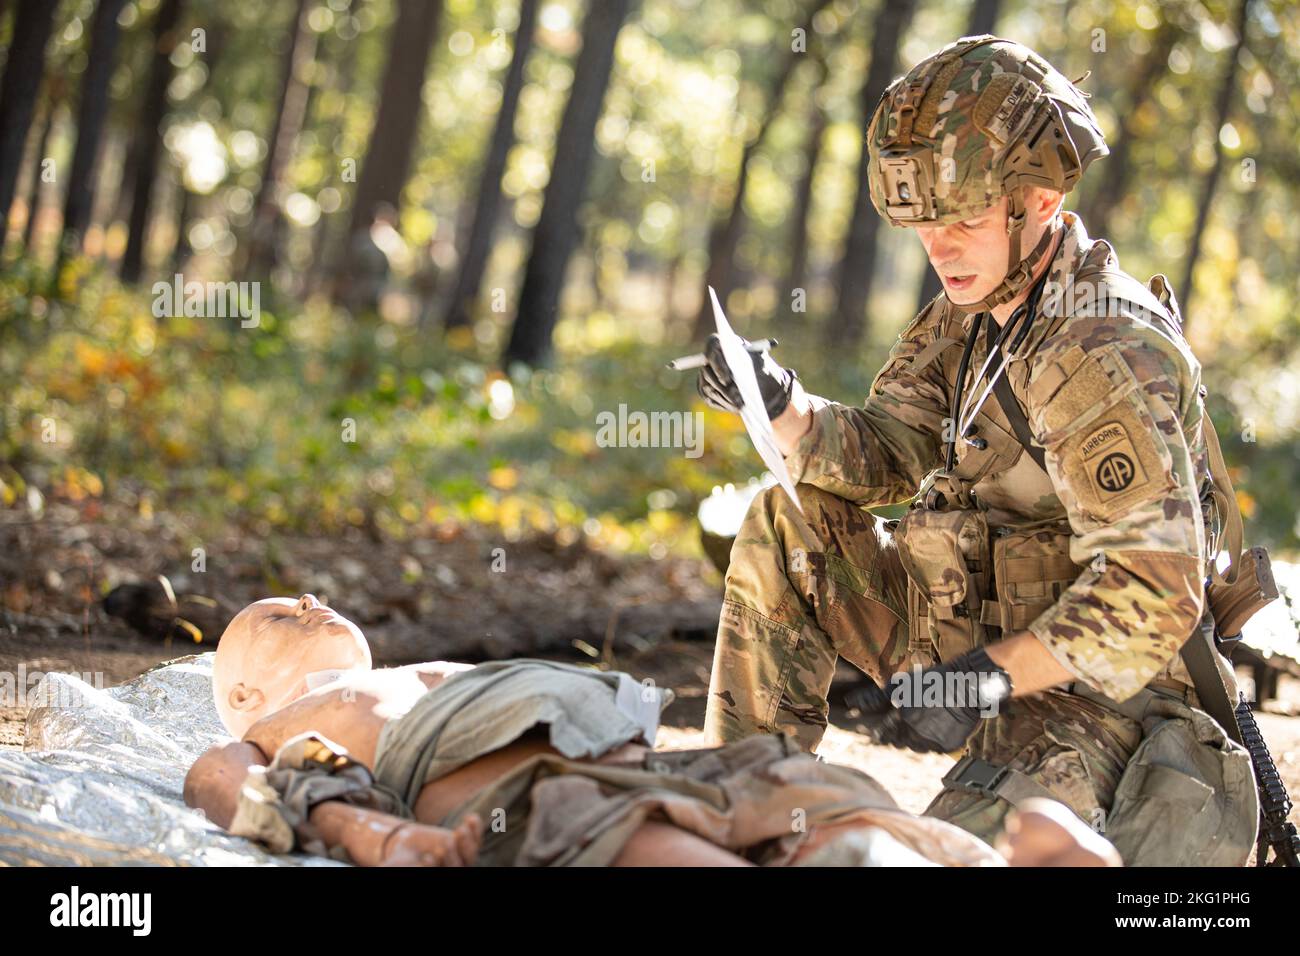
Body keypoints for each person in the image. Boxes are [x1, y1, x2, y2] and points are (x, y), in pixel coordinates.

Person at [696, 35, 1258, 866]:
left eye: (961, 221)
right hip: (969, 633)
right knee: (789, 522)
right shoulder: (976, 313)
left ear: (1036, 202)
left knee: (944, 858)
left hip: (1106, 695)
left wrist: (978, 682)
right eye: (924, 224)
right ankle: (735, 806)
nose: (940, 248)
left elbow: (1154, 590)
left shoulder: (1100, 346)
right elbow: (890, 451)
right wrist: (782, 408)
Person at [183, 594, 1121, 867]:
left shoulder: (406, 669)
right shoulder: (281, 722)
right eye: (273, 617)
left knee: (804, 807)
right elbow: (228, 786)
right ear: (242, 696)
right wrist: (380, 836)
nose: (306, 598)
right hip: (527, 797)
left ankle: (963, 861)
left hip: (654, 767)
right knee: (659, 848)